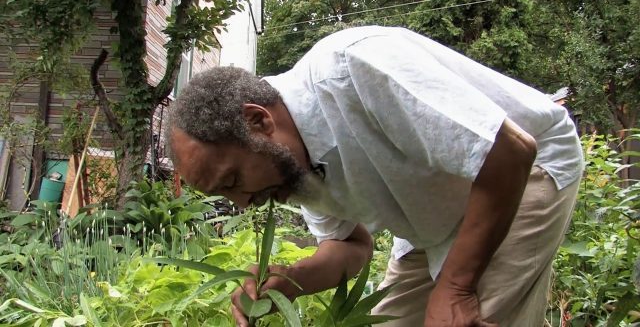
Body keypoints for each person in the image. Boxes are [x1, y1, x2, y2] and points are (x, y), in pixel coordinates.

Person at [167, 26, 584, 327]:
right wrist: (290, 281)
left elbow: (510, 151)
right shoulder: (285, 166)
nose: (242, 202)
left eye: (232, 181)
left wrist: (455, 288)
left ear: (258, 122)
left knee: (467, 316)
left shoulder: (354, 70)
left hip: (522, 173)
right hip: (432, 212)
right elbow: (350, 245)